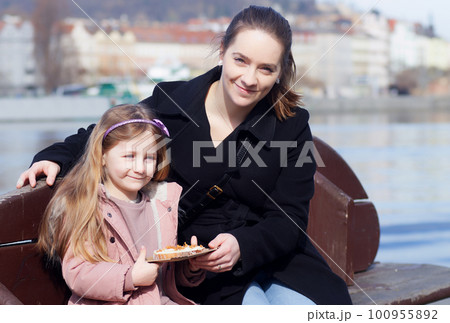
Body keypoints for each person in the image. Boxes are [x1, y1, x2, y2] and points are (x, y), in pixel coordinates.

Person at [18, 6, 352, 305]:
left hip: (279, 261)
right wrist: (55, 156)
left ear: (281, 71)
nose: (249, 79)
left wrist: (242, 245)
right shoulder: (172, 101)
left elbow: (290, 220)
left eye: (266, 69)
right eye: (240, 60)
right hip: (200, 269)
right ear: (222, 52)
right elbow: (108, 134)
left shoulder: (290, 125)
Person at [37, 104, 204, 305]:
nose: (140, 168)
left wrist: (190, 268)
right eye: (129, 156)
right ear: (102, 156)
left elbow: (161, 277)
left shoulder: (160, 205)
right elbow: (79, 273)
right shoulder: (87, 206)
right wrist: (129, 277)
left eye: (149, 158)